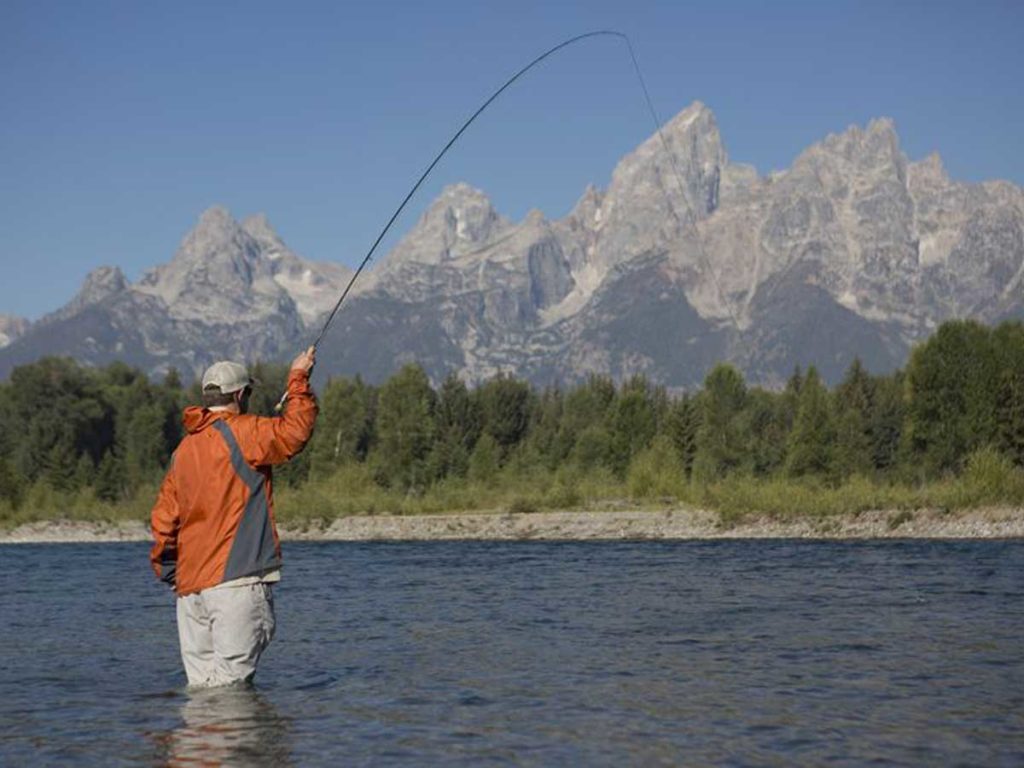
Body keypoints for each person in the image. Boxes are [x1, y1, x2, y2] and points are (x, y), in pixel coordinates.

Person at [150, 346, 318, 688]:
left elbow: (164, 524)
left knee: (203, 696)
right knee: (232, 694)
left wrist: (173, 575)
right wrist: (298, 380)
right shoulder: (245, 431)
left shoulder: (183, 452)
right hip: (235, 585)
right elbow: (294, 433)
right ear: (241, 395)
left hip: (190, 593)